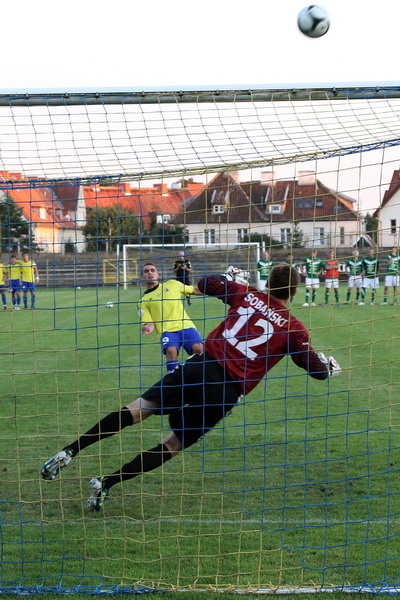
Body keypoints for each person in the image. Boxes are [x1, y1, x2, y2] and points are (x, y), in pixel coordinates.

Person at [40, 264, 341, 513]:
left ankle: (69, 451)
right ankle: (106, 484)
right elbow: (315, 372)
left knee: (139, 408)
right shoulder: (294, 328)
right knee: (173, 445)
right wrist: (328, 366)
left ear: (268, 282)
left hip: (200, 365)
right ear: (293, 291)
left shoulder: (246, 294)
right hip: (225, 390)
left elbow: (204, 283)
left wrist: (228, 278)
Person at [138, 261, 203, 373]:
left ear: (158, 274)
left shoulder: (173, 284)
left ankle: (194, 377)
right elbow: (149, 322)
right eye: (146, 271)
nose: (150, 273)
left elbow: (195, 290)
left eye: (152, 270)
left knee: (199, 349)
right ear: (142, 276)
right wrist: (148, 328)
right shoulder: (143, 301)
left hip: (185, 326)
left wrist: (216, 288)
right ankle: (174, 382)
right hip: (167, 331)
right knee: (171, 351)